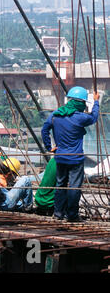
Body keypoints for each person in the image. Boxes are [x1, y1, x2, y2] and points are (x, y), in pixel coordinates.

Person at [41, 87, 100, 222]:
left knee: (60, 185)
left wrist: (50, 147)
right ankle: (72, 215)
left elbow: (45, 129)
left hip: (60, 157)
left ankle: (58, 213)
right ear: (80, 103)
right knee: (74, 186)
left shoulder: (56, 115)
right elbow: (94, 117)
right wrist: (96, 102)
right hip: (75, 159)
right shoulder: (80, 117)